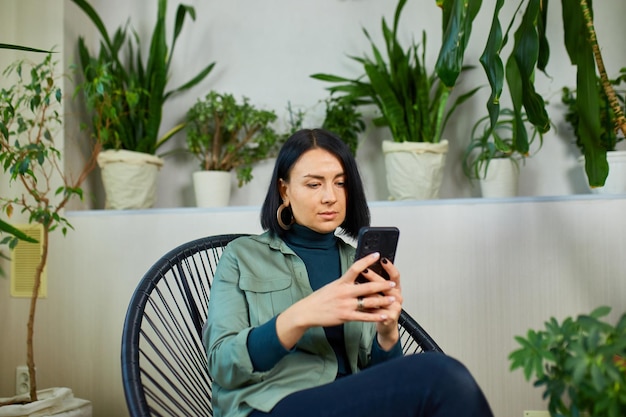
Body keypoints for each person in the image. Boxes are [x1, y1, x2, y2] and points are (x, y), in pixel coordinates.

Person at [203, 129, 493, 417]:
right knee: (440, 375)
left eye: (340, 183)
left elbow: (381, 382)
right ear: (285, 191)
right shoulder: (242, 256)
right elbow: (222, 364)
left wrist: (387, 331)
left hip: (347, 402)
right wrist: (300, 315)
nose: (330, 196)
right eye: (314, 184)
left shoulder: (355, 263)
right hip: (269, 404)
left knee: (439, 383)